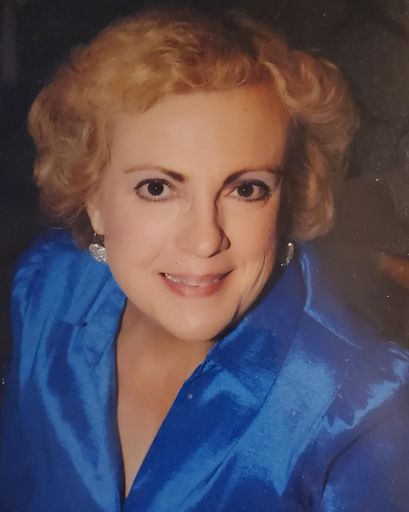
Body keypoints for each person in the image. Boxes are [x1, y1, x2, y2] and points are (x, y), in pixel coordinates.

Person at [1, 8, 409, 512]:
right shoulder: (45, 287)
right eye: (157, 188)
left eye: (246, 189)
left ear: (287, 197)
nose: (204, 241)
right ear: (93, 198)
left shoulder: (362, 404)